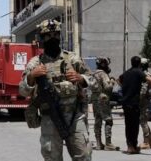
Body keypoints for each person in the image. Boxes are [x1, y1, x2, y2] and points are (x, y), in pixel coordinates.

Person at [19, 19, 96, 161]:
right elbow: (22, 91)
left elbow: (94, 80)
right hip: (50, 119)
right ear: (42, 39)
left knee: (84, 156)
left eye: (55, 35)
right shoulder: (36, 63)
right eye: (48, 35)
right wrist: (31, 76)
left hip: (74, 116)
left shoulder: (72, 58)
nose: (52, 38)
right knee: (52, 158)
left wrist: (80, 78)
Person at [119, 55, 151, 155]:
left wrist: (125, 88)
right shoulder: (139, 72)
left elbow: (119, 79)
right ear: (140, 64)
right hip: (134, 103)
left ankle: (130, 146)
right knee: (135, 126)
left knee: (128, 126)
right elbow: (149, 80)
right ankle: (134, 146)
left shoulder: (126, 72)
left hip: (125, 102)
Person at [90, 57, 118, 151]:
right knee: (108, 120)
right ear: (103, 64)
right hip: (103, 98)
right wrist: (113, 81)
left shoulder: (93, 73)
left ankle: (98, 143)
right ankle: (108, 143)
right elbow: (108, 87)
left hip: (94, 98)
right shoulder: (103, 74)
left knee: (97, 120)